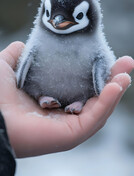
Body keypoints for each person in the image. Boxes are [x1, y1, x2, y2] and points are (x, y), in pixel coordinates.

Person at [0, 41, 133, 175]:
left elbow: (100, 63)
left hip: (77, 94)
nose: (59, 22)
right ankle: (41, 97)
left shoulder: (92, 46)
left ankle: (79, 101)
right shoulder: (40, 42)